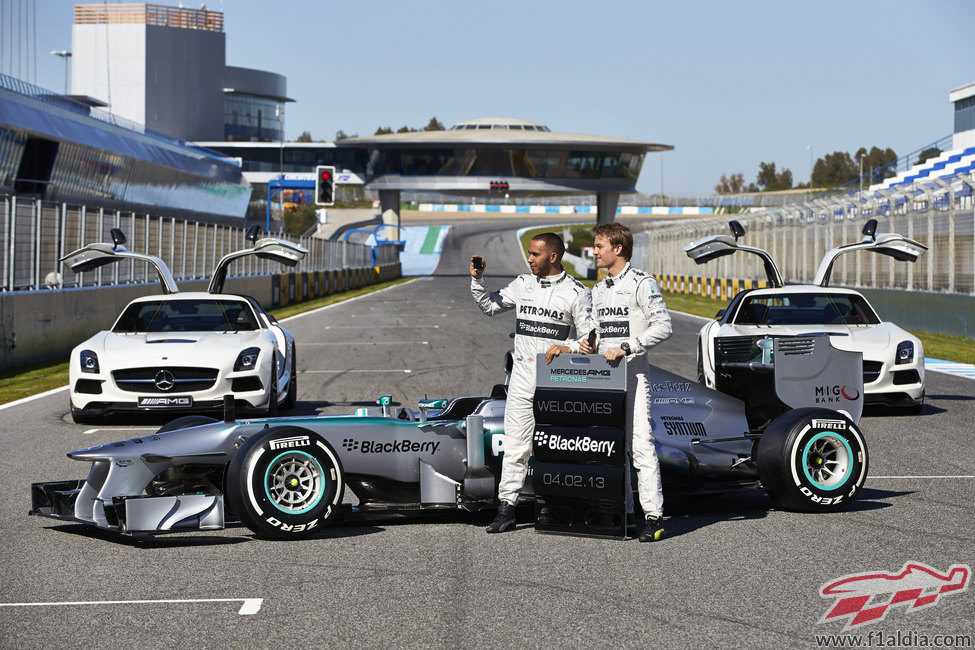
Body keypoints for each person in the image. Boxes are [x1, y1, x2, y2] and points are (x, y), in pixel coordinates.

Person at [552, 222, 672, 542]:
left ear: (617, 249)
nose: (595, 252)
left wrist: (628, 346)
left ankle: (654, 517)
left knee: (640, 448)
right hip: (604, 378)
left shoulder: (642, 284)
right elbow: (594, 332)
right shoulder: (598, 290)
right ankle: (625, 516)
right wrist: (588, 343)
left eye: (600, 246)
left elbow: (663, 326)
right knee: (613, 451)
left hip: (634, 374)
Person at [470, 233, 593, 534]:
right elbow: (490, 306)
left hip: (558, 380)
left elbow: (591, 339)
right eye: (529, 254)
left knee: (559, 446)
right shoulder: (522, 284)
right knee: (515, 446)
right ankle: (507, 508)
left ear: (553, 257)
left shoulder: (577, 292)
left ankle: (559, 504)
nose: (529, 259)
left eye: (535, 254)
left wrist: (569, 347)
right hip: (523, 378)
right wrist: (478, 280)